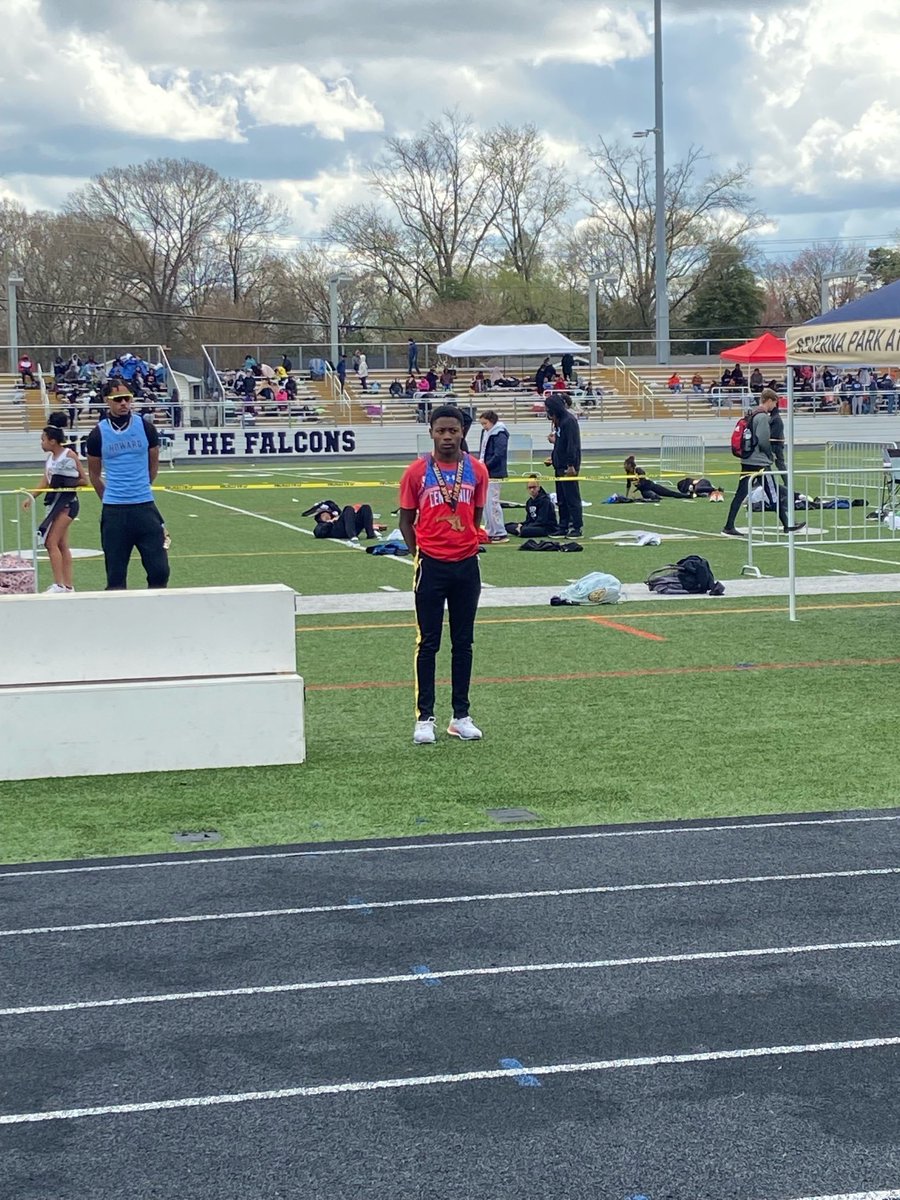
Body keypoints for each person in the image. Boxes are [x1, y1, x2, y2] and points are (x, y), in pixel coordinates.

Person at [399, 404, 488, 745]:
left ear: (462, 432)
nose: (447, 437)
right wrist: (420, 554)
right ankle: (425, 718)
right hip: (431, 566)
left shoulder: (477, 470)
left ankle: (461, 716)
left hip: (467, 565)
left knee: (463, 642)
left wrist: (465, 539)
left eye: (453, 430)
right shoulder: (416, 472)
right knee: (429, 643)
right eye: (441, 431)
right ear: (431, 432)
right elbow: (406, 520)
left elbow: (475, 513)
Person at [85, 382, 170, 590]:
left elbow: (153, 465)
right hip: (115, 512)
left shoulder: (146, 427)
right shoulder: (97, 434)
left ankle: (155, 612)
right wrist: (110, 498)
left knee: (160, 570)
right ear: (107, 401)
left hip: (144, 507)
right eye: (118, 399)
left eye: (127, 398)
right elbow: (94, 474)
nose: (124, 403)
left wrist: (140, 488)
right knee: (115, 576)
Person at [722, 388, 805, 537]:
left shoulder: (752, 414)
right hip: (759, 462)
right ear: (769, 400)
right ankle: (787, 525)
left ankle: (729, 525)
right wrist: (769, 455)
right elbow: (763, 439)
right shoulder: (762, 417)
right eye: (774, 403)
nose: (775, 406)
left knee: (740, 494)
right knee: (772, 494)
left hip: (747, 460)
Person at [21, 422, 88, 593]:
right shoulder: (50, 459)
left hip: (67, 504)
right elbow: (46, 481)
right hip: (53, 504)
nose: (41, 443)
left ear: (52, 441)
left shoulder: (69, 455)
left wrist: (65, 483)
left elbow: (83, 480)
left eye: (43, 439)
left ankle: (59, 584)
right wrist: (32, 496)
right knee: (62, 544)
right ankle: (68, 586)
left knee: (50, 542)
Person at [544, 393, 582, 537]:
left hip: (568, 467)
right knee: (562, 498)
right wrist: (554, 456)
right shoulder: (559, 422)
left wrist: (571, 465)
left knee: (572, 498)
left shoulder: (568, 421)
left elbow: (572, 445)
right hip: (559, 465)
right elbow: (563, 443)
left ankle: (576, 527)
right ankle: (563, 525)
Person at [477, 410, 509, 542]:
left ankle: (500, 531)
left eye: (485, 423)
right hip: (486, 471)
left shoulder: (500, 433)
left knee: (493, 502)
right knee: (486, 503)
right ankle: (490, 529)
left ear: (492, 421)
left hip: (494, 472)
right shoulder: (486, 433)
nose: (483, 426)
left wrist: (486, 465)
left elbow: (499, 453)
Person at [624, 455, 693, 501]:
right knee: (652, 496)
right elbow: (628, 485)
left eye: (625, 464)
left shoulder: (638, 470)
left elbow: (642, 482)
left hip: (651, 486)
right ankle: (656, 496)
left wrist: (634, 491)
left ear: (630, 465)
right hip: (645, 491)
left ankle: (688, 496)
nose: (624, 466)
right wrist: (627, 496)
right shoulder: (628, 474)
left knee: (670, 493)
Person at [311, 502, 380, 543]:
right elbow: (318, 533)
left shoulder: (336, 516)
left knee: (366, 507)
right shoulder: (321, 525)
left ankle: (371, 534)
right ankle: (352, 536)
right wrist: (330, 522)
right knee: (348, 508)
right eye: (323, 515)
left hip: (350, 527)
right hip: (339, 531)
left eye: (327, 514)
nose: (326, 516)